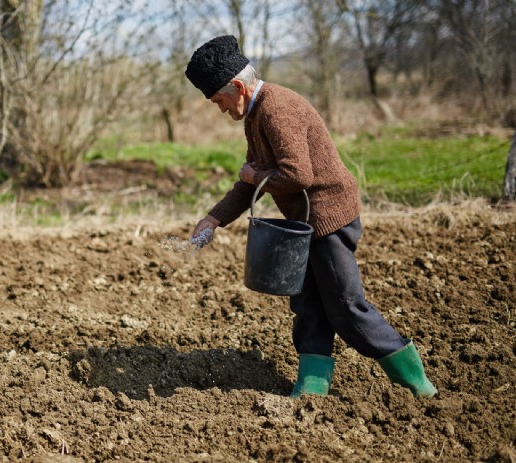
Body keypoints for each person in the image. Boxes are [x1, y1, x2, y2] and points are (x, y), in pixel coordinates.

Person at [185, 35, 436, 399]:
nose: (220, 109)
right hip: (306, 224)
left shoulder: (276, 109)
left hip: (329, 220)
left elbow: (295, 174)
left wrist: (253, 177)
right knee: (309, 305)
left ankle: (417, 383)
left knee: (347, 307)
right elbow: (253, 180)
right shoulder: (255, 114)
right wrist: (213, 219)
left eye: (219, 100)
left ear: (237, 86)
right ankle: (312, 387)